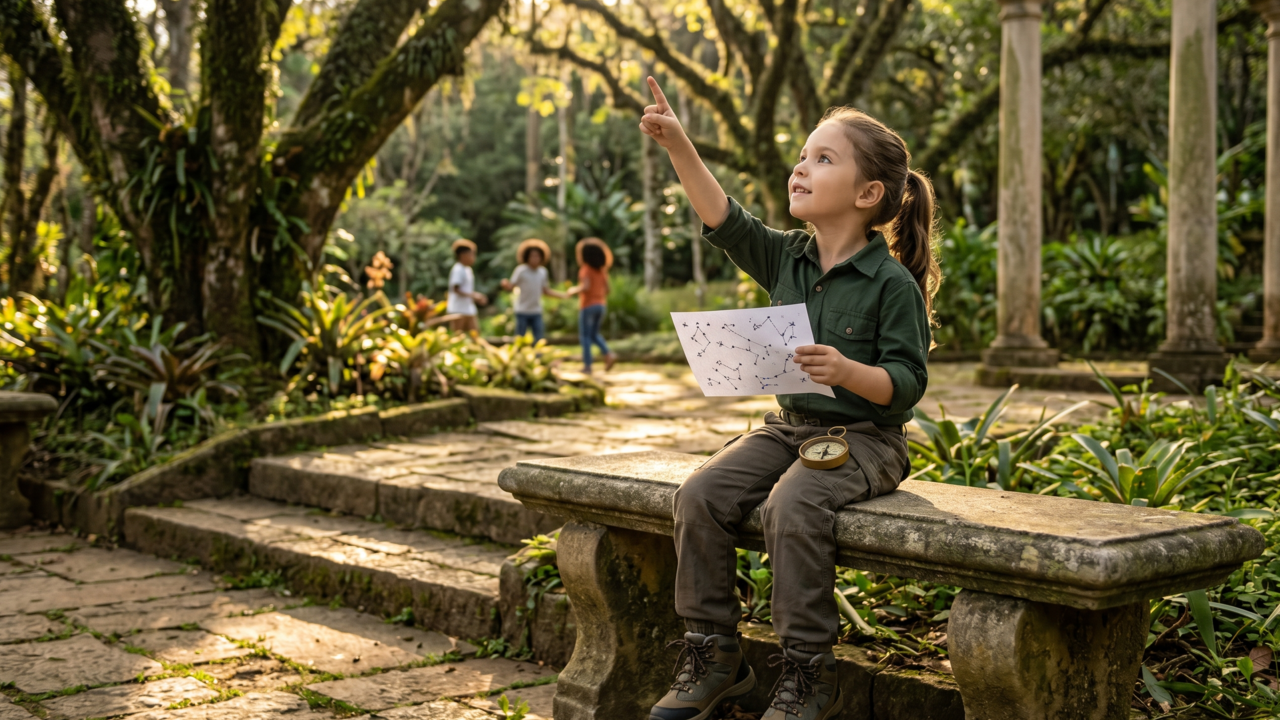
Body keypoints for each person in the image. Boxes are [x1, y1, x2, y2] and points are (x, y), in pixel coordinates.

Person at [640, 76, 938, 720]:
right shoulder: (786, 259)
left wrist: (846, 371)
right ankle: (714, 654)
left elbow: (907, 386)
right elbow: (722, 215)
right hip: (789, 428)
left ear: (868, 194)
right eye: (802, 155)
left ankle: (809, 672)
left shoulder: (891, 284)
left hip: (868, 440)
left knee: (792, 504)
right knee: (699, 494)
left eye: (823, 159)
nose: (802, 166)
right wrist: (678, 144)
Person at [499, 238, 567, 343]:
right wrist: (505, 284)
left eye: (537, 256)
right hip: (522, 310)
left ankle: (538, 359)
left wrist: (562, 295)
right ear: (527, 257)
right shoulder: (521, 270)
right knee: (519, 339)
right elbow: (511, 287)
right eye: (532, 256)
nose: (535, 259)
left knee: (539, 339)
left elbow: (545, 290)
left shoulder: (543, 272)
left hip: (536, 310)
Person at [567, 237, 618, 374]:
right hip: (601, 305)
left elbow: (586, 286)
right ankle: (608, 354)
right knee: (594, 334)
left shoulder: (586, 269)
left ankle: (588, 366)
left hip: (587, 306)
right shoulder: (602, 271)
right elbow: (607, 290)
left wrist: (573, 290)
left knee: (585, 337)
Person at [447, 238, 487, 334]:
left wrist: (476, 296)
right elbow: (456, 289)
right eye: (471, 254)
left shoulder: (468, 270)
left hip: (468, 308)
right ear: (463, 255)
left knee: (475, 334)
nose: (473, 257)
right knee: (457, 336)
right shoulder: (458, 269)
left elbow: (466, 289)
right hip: (458, 308)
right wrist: (474, 296)